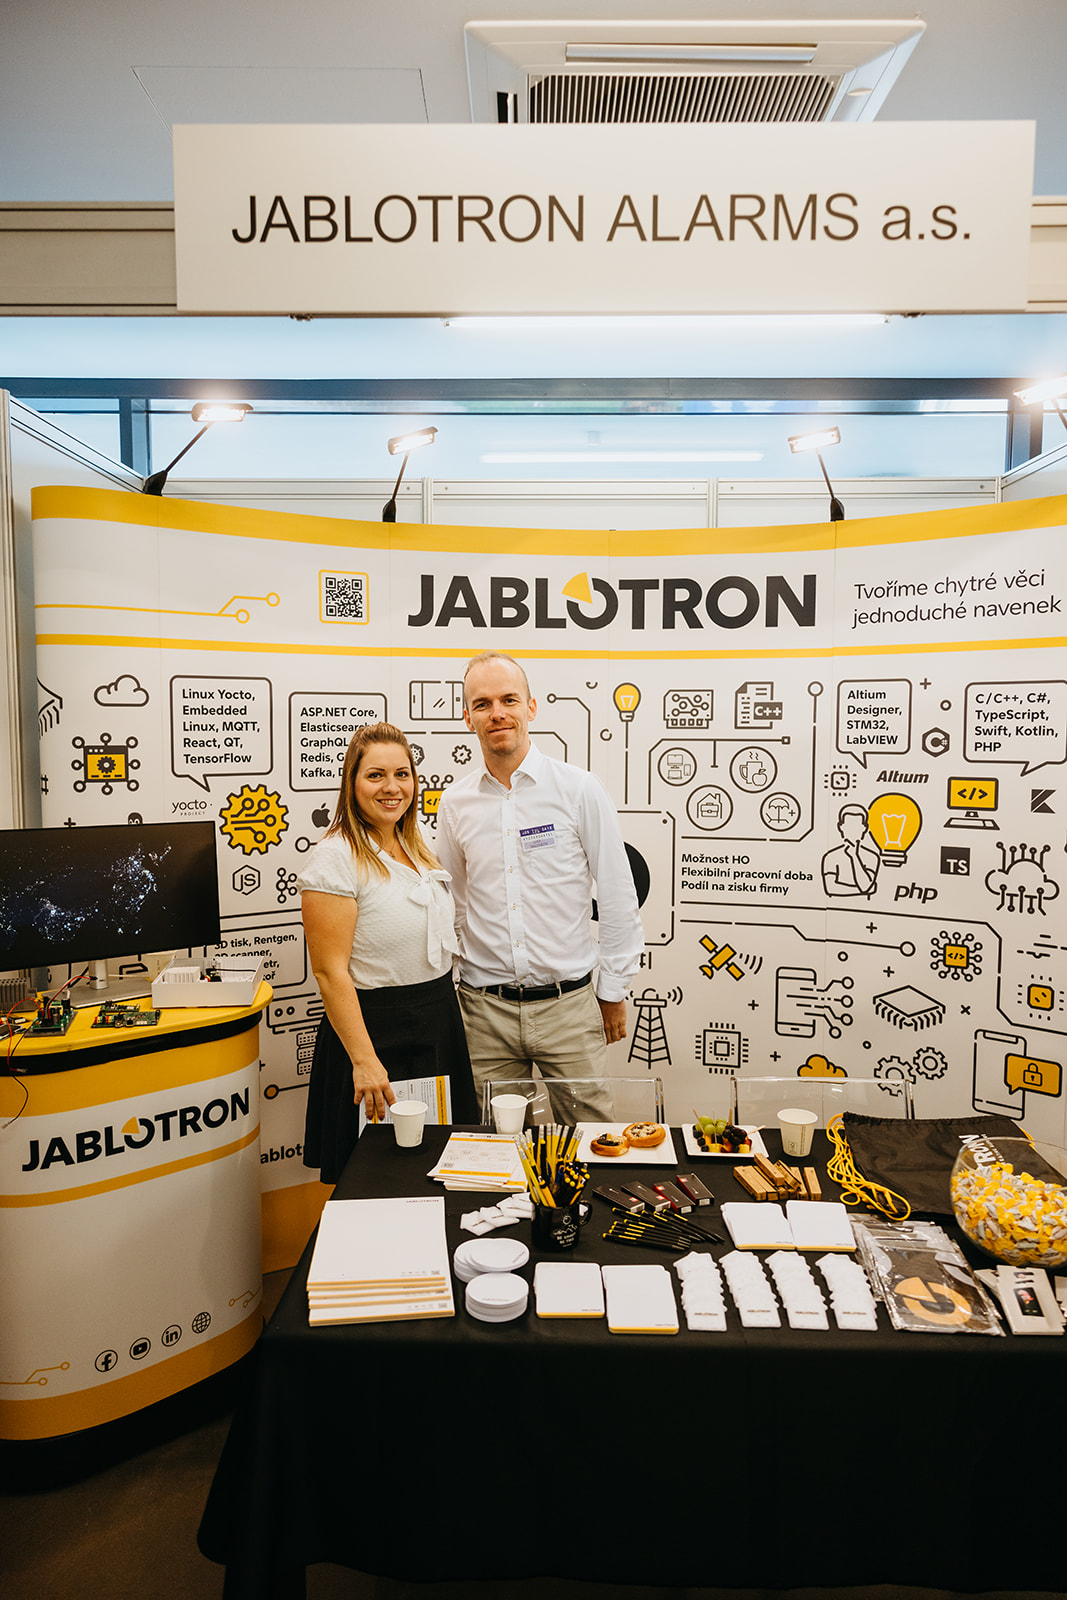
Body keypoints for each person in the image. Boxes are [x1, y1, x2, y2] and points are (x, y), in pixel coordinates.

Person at [436, 651, 645, 1122]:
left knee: (589, 1140)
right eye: (482, 704)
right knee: (496, 1145)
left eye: (509, 699)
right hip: (484, 1013)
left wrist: (613, 989)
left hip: (568, 1008)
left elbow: (617, 893)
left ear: (531, 707)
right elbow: (453, 904)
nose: (497, 713)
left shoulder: (578, 789)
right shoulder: (455, 803)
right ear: (467, 717)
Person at [297, 721, 479, 1184]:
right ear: (352, 783)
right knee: (375, 1177)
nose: (392, 787)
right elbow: (329, 972)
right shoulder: (335, 857)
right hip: (374, 1035)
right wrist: (363, 1060)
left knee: (437, 1170)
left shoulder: (416, 846)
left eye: (402, 774)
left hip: (437, 1024)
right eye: (375, 775)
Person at [821, 802, 880, 898]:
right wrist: (862, 891)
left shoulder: (872, 857)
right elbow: (830, 888)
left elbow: (865, 886)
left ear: (864, 828)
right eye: (849, 825)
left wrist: (854, 856)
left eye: (857, 826)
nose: (853, 830)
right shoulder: (831, 856)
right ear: (841, 827)